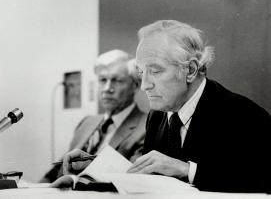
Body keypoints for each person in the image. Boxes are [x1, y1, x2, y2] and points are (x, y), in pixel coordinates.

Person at [126, 20, 271, 193]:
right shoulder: (157, 115)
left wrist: (187, 170)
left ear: (191, 70)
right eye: (141, 72)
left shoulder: (244, 115)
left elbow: (263, 180)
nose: (144, 85)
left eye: (155, 71)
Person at [41, 49, 147, 183]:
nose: (107, 88)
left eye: (117, 81)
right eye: (103, 80)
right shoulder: (87, 122)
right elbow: (57, 171)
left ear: (136, 86)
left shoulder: (148, 126)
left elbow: (134, 180)